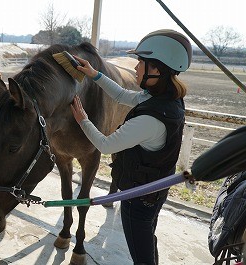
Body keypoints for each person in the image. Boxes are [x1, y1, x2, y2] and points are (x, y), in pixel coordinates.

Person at [70, 29, 192, 265]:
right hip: (154, 191)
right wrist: (94, 74)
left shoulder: (150, 120)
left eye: (141, 63)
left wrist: (82, 119)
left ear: (156, 70)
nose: (136, 68)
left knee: (141, 255)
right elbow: (123, 95)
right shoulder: (166, 99)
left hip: (138, 199)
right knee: (148, 240)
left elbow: (105, 145)